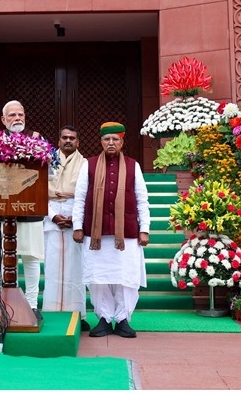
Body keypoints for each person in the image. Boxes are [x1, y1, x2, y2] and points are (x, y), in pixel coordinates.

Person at [71, 121, 149, 338]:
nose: (111, 143)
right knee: (98, 278)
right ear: (101, 142)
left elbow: (142, 199)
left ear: (122, 142)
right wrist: (78, 226)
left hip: (127, 234)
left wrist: (145, 229)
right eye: (107, 139)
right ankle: (104, 319)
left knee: (126, 277)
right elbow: (79, 197)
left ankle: (123, 319)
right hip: (96, 233)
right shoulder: (90, 164)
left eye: (115, 139)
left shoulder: (134, 165)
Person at [0, 100, 47, 310]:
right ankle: (8, 306)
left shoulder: (37, 140)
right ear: (3, 119)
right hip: (0, 209)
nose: (17, 118)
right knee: (4, 258)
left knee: (30, 258)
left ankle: (31, 306)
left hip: (30, 208)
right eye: (12, 115)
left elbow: (51, 169)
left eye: (20, 114)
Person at [44, 125, 89, 321]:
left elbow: (88, 194)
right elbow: (38, 192)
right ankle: (52, 314)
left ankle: (78, 316)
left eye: (72, 138)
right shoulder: (46, 161)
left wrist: (75, 217)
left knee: (76, 269)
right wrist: (53, 215)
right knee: (52, 268)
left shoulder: (86, 164)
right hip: (51, 211)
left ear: (78, 142)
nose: (68, 140)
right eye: (65, 138)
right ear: (59, 140)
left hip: (75, 215)